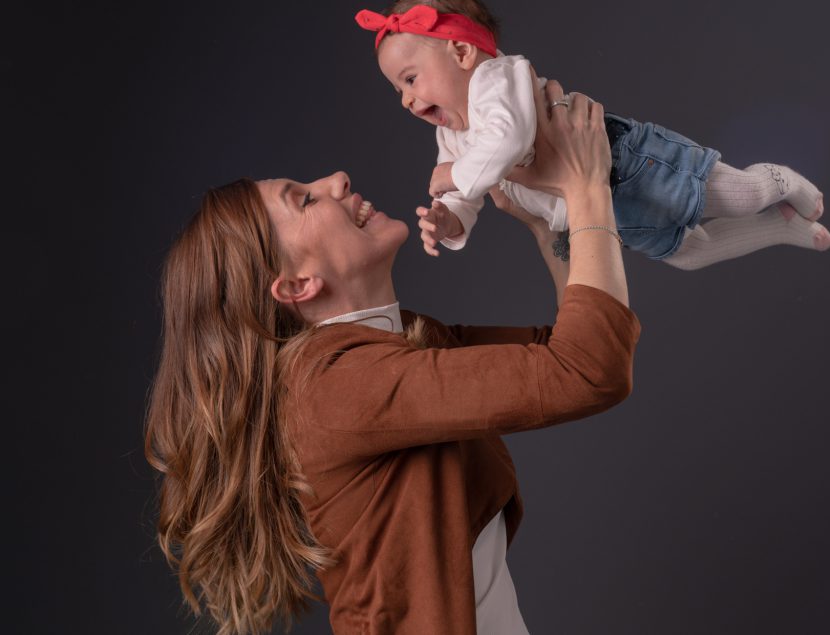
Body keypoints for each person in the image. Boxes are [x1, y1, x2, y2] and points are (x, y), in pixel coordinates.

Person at [145, 77, 640, 635]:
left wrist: (548, 217)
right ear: (296, 284)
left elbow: (571, 346)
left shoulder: (401, 340)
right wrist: (586, 187)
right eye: (305, 199)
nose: (336, 179)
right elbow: (590, 368)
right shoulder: (337, 386)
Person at [355, 0, 830, 268]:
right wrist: (450, 217)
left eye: (410, 79)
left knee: (738, 197)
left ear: (461, 53)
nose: (407, 99)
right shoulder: (451, 134)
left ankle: (778, 181)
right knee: (690, 254)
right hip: (594, 207)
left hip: (626, 166)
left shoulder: (495, 79)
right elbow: (466, 192)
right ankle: (780, 229)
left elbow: (508, 140)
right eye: (399, 89)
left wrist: (454, 176)